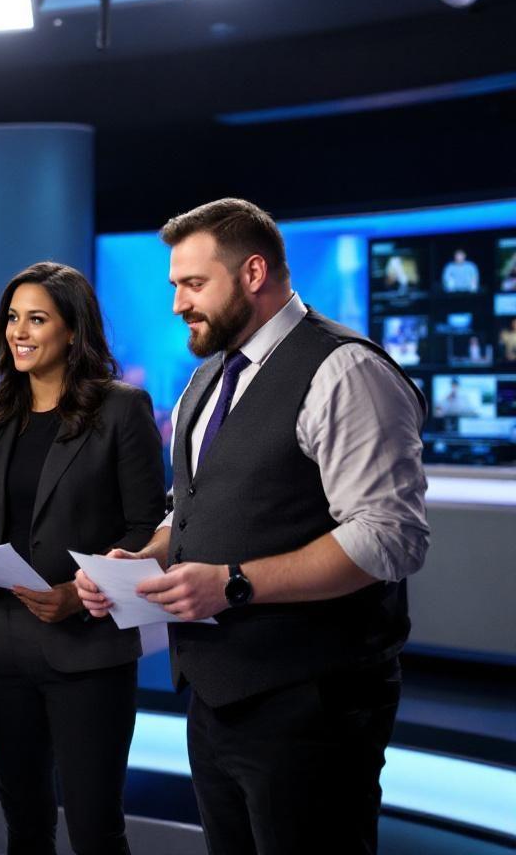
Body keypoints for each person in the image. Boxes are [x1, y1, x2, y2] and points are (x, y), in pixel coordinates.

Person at [76, 198, 429, 855]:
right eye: (174, 285)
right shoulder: (207, 380)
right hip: (217, 696)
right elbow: (193, 511)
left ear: (254, 273)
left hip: (315, 701)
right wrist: (138, 560)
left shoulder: (345, 370)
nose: (178, 303)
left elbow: (390, 537)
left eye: (193, 284)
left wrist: (233, 584)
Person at [0, 262, 165, 855]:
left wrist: (78, 590)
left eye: (36, 319)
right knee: (24, 827)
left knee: (95, 829)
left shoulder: (122, 409)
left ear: (73, 330)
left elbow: (150, 529)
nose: (19, 331)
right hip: (3, 646)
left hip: (89, 646)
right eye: (13, 318)